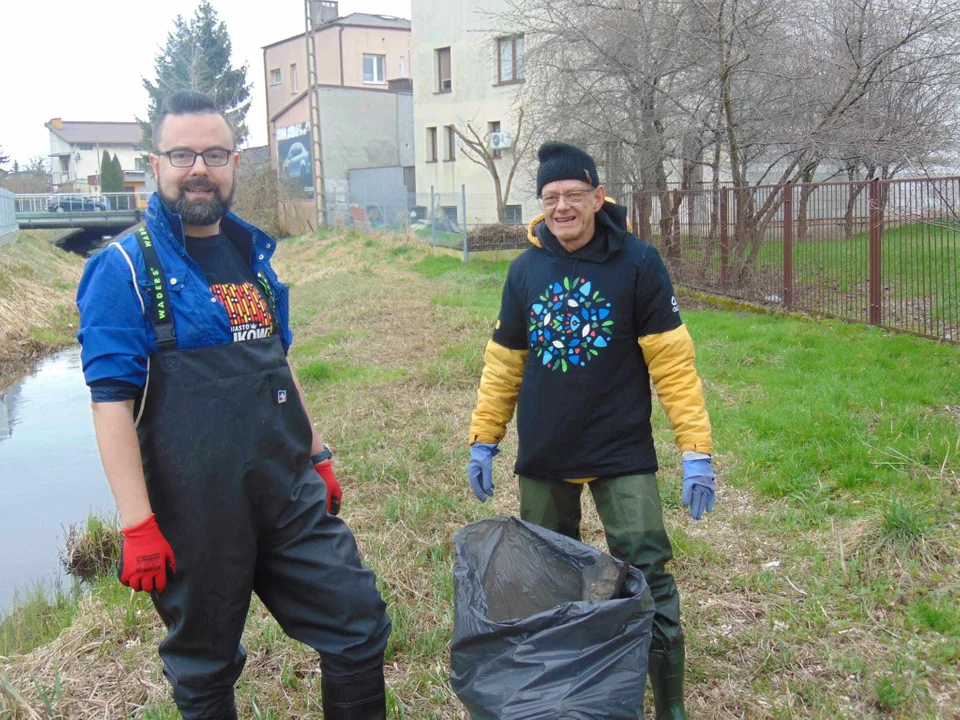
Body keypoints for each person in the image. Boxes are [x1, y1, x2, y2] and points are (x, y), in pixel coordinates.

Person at [76, 90, 391, 720]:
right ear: (155, 164)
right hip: (193, 510)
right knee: (206, 668)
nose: (200, 167)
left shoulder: (253, 256)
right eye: (183, 154)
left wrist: (318, 452)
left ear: (235, 163)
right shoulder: (125, 268)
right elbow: (111, 403)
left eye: (214, 153)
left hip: (283, 488)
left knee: (357, 620)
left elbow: (278, 362)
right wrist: (137, 523)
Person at [466, 141, 716, 720]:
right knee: (547, 584)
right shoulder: (525, 269)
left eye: (573, 195)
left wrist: (695, 451)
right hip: (547, 453)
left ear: (599, 197)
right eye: (550, 198)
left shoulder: (639, 262)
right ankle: (563, 697)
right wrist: (485, 438)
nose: (561, 208)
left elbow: (673, 365)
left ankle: (670, 706)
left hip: (620, 451)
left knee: (648, 572)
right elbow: (504, 363)